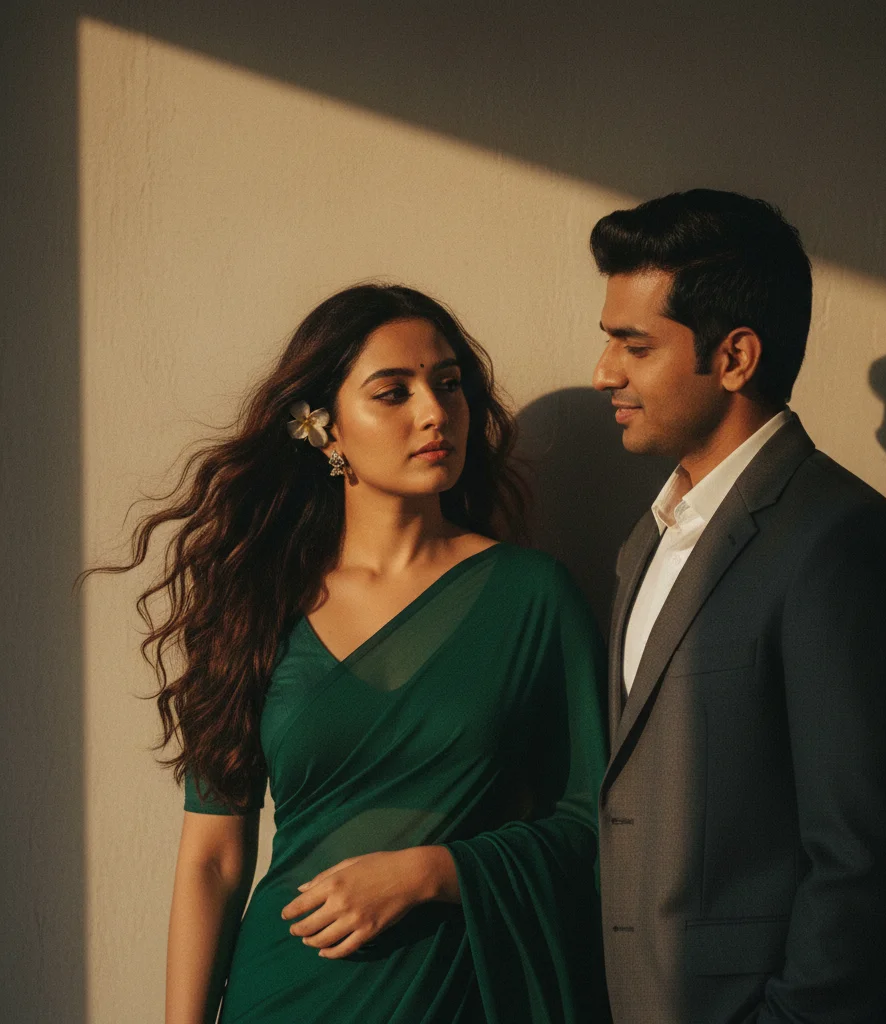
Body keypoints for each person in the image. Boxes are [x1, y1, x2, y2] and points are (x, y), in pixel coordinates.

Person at [99, 283, 611, 1023]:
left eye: (447, 384)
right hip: (283, 992)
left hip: (451, 994)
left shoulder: (532, 598)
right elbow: (212, 859)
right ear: (324, 430)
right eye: (392, 393)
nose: (435, 412)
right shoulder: (258, 605)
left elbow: (595, 823)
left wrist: (435, 872)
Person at [590, 190, 886, 1023]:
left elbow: (864, 858)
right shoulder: (648, 538)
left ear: (737, 357)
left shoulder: (845, 544)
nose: (604, 371)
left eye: (633, 345)